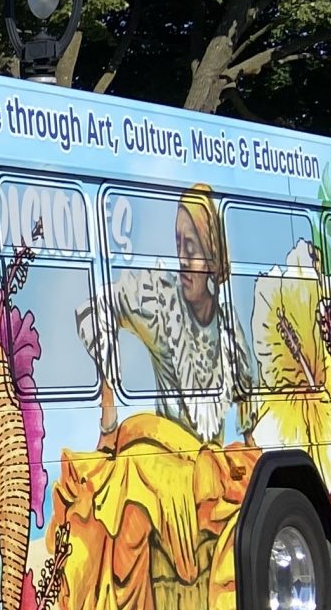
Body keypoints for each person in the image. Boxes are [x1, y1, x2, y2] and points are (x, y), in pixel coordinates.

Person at [86, 184, 249, 445]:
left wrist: (250, 444)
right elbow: (98, 308)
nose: (182, 258)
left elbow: (246, 388)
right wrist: (108, 413)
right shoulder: (162, 307)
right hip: (166, 468)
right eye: (178, 244)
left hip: (212, 478)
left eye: (192, 248)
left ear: (213, 256)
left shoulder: (228, 327)